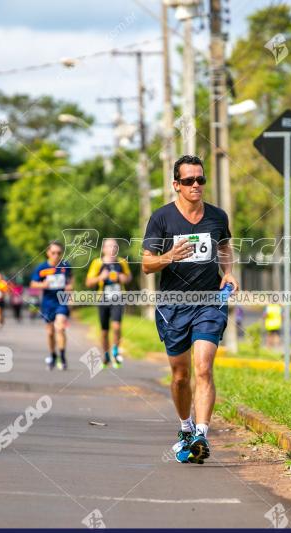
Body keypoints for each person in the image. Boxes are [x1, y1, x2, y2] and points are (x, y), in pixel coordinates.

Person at [142, 155, 239, 464]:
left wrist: (228, 272)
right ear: (176, 185)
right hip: (173, 307)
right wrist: (169, 255)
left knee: (203, 368)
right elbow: (146, 264)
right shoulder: (162, 218)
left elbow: (224, 247)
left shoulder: (217, 216)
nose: (196, 185)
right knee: (181, 375)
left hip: (209, 302)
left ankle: (201, 434)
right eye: (188, 181)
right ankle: (184, 428)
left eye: (200, 179)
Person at [85, 238, 132, 368]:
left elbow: (128, 277)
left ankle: (115, 351)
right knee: (105, 331)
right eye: (110, 246)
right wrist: (101, 277)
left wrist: (122, 277)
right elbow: (88, 282)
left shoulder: (122, 262)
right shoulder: (97, 263)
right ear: (104, 249)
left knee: (117, 326)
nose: (113, 249)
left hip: (118, 298)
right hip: (103, 299)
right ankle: (106, 355)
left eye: (115, 247)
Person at [30, 241, 73, 370]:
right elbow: (33, 284)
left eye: (59, 253)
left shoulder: (65, 266)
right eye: (53, 252)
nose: (56, 255)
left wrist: (70, 289)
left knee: (60, 328)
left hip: (61, 301)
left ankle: (62, 356)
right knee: (50, 332)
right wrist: (43, 285)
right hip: (48, 303)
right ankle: (53, 354)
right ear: (48, 253)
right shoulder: (42, 268)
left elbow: (70, 282)